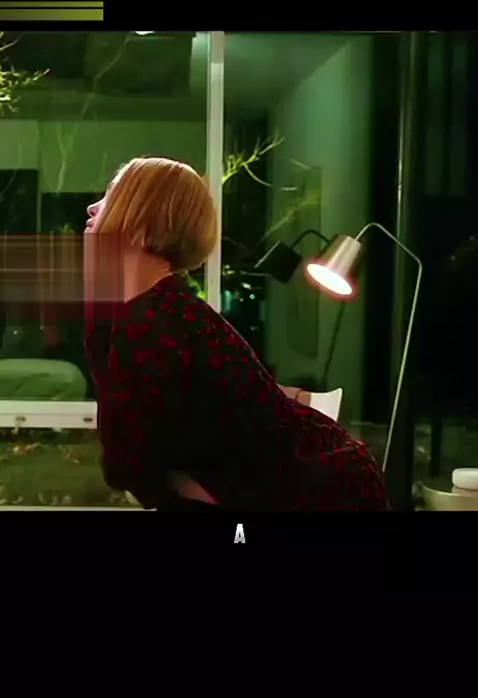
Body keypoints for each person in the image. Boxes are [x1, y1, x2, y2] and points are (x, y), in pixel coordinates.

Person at [84, 156, 389, 511]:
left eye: (111, 196)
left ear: (143, 221)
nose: (92, 208)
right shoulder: (152, 311)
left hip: (323, 490)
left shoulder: (155, 319)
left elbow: (129, 463)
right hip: (311, 476)